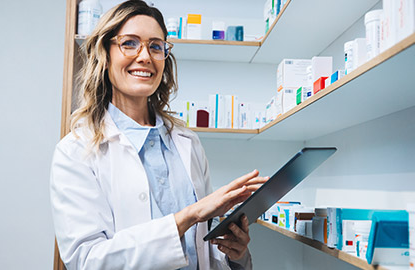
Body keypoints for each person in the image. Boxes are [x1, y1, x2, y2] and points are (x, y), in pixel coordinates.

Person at [50, 1, 269, 269]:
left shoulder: (187, 143)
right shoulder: (76, 151)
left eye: (156, 46)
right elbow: (87, 261)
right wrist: (188, 216)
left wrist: (236, 255)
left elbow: (204, 251)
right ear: (105, 55)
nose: (145, 56)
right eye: (129, 43)